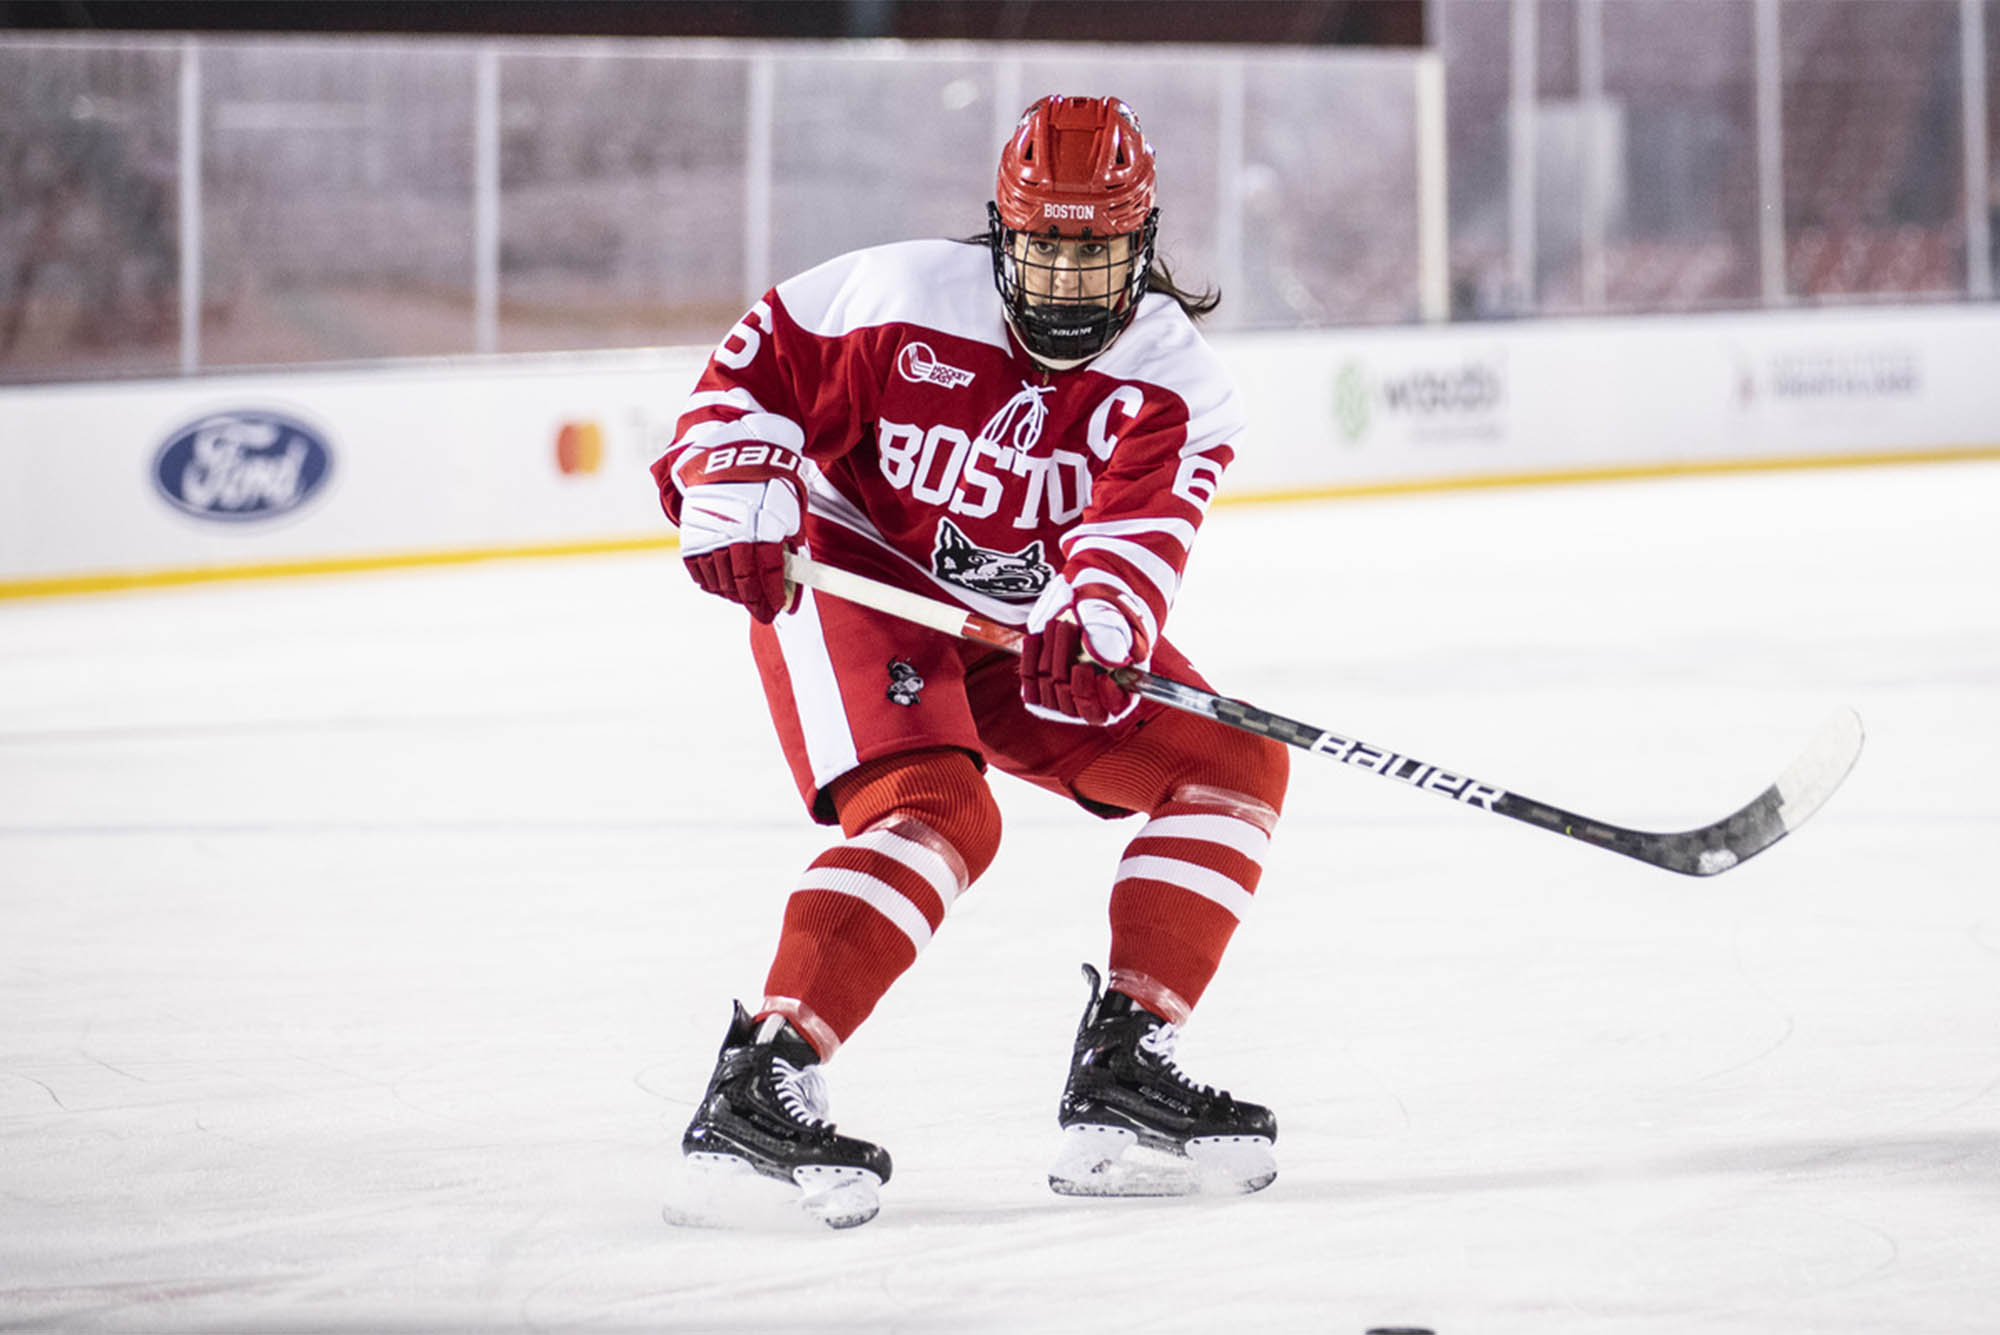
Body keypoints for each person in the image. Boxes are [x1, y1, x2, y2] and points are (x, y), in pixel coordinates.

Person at [653, 94, 1289, 1228]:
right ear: (1003, 232)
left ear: (1140, 245)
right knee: (939, 810)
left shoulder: (1175, 381)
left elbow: (1138, 533)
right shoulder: (894, 298)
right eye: (1045, 246)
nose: (1066, 278)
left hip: (1010, 608)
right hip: (850, 564)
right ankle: (759, 1080)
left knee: (1232, 763)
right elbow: (748, 382)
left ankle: (1126, 1071)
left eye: (1095, 253)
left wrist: (1099, 623)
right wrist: (737, 478)